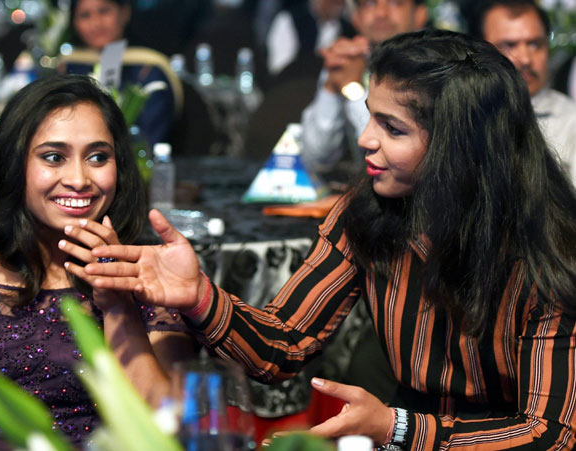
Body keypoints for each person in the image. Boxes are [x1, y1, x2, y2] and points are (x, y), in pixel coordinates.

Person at [68, 29, 576, 449]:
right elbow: (282, 342)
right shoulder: (369, 214)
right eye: (370, 115)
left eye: (392, 128)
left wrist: (400, 427)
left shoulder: (549, 248)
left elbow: (553, 433)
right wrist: (200, 296)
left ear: (457, 146)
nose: (364, 139)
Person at [0, 74, 193, 450]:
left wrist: (118, 305)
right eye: (54, 157)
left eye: (98, 157)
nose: (79, 179)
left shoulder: (148, 277)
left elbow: (167, 431)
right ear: (14, 165)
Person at [299, 0, 428, 173]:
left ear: (420, 15)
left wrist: (352, 88)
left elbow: (394, 156)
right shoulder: (348, 59)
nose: (381, 13)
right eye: (370, 4)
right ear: (356, 17)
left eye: (395, 3)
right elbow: (315, 159)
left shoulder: (435, 65)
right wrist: (330, 86)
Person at [469, 0, 576, 185]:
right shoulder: (459, 113)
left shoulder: (571, 121)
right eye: (509, 45)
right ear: (478, 51)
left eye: (535, 44)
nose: (526, 58)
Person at [63, 0, 176, 148]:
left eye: (104, 11)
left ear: (125, 13)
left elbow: (151, 138)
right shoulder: (66, 68)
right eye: (85, 15)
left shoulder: (147, 68)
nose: (96, 23)